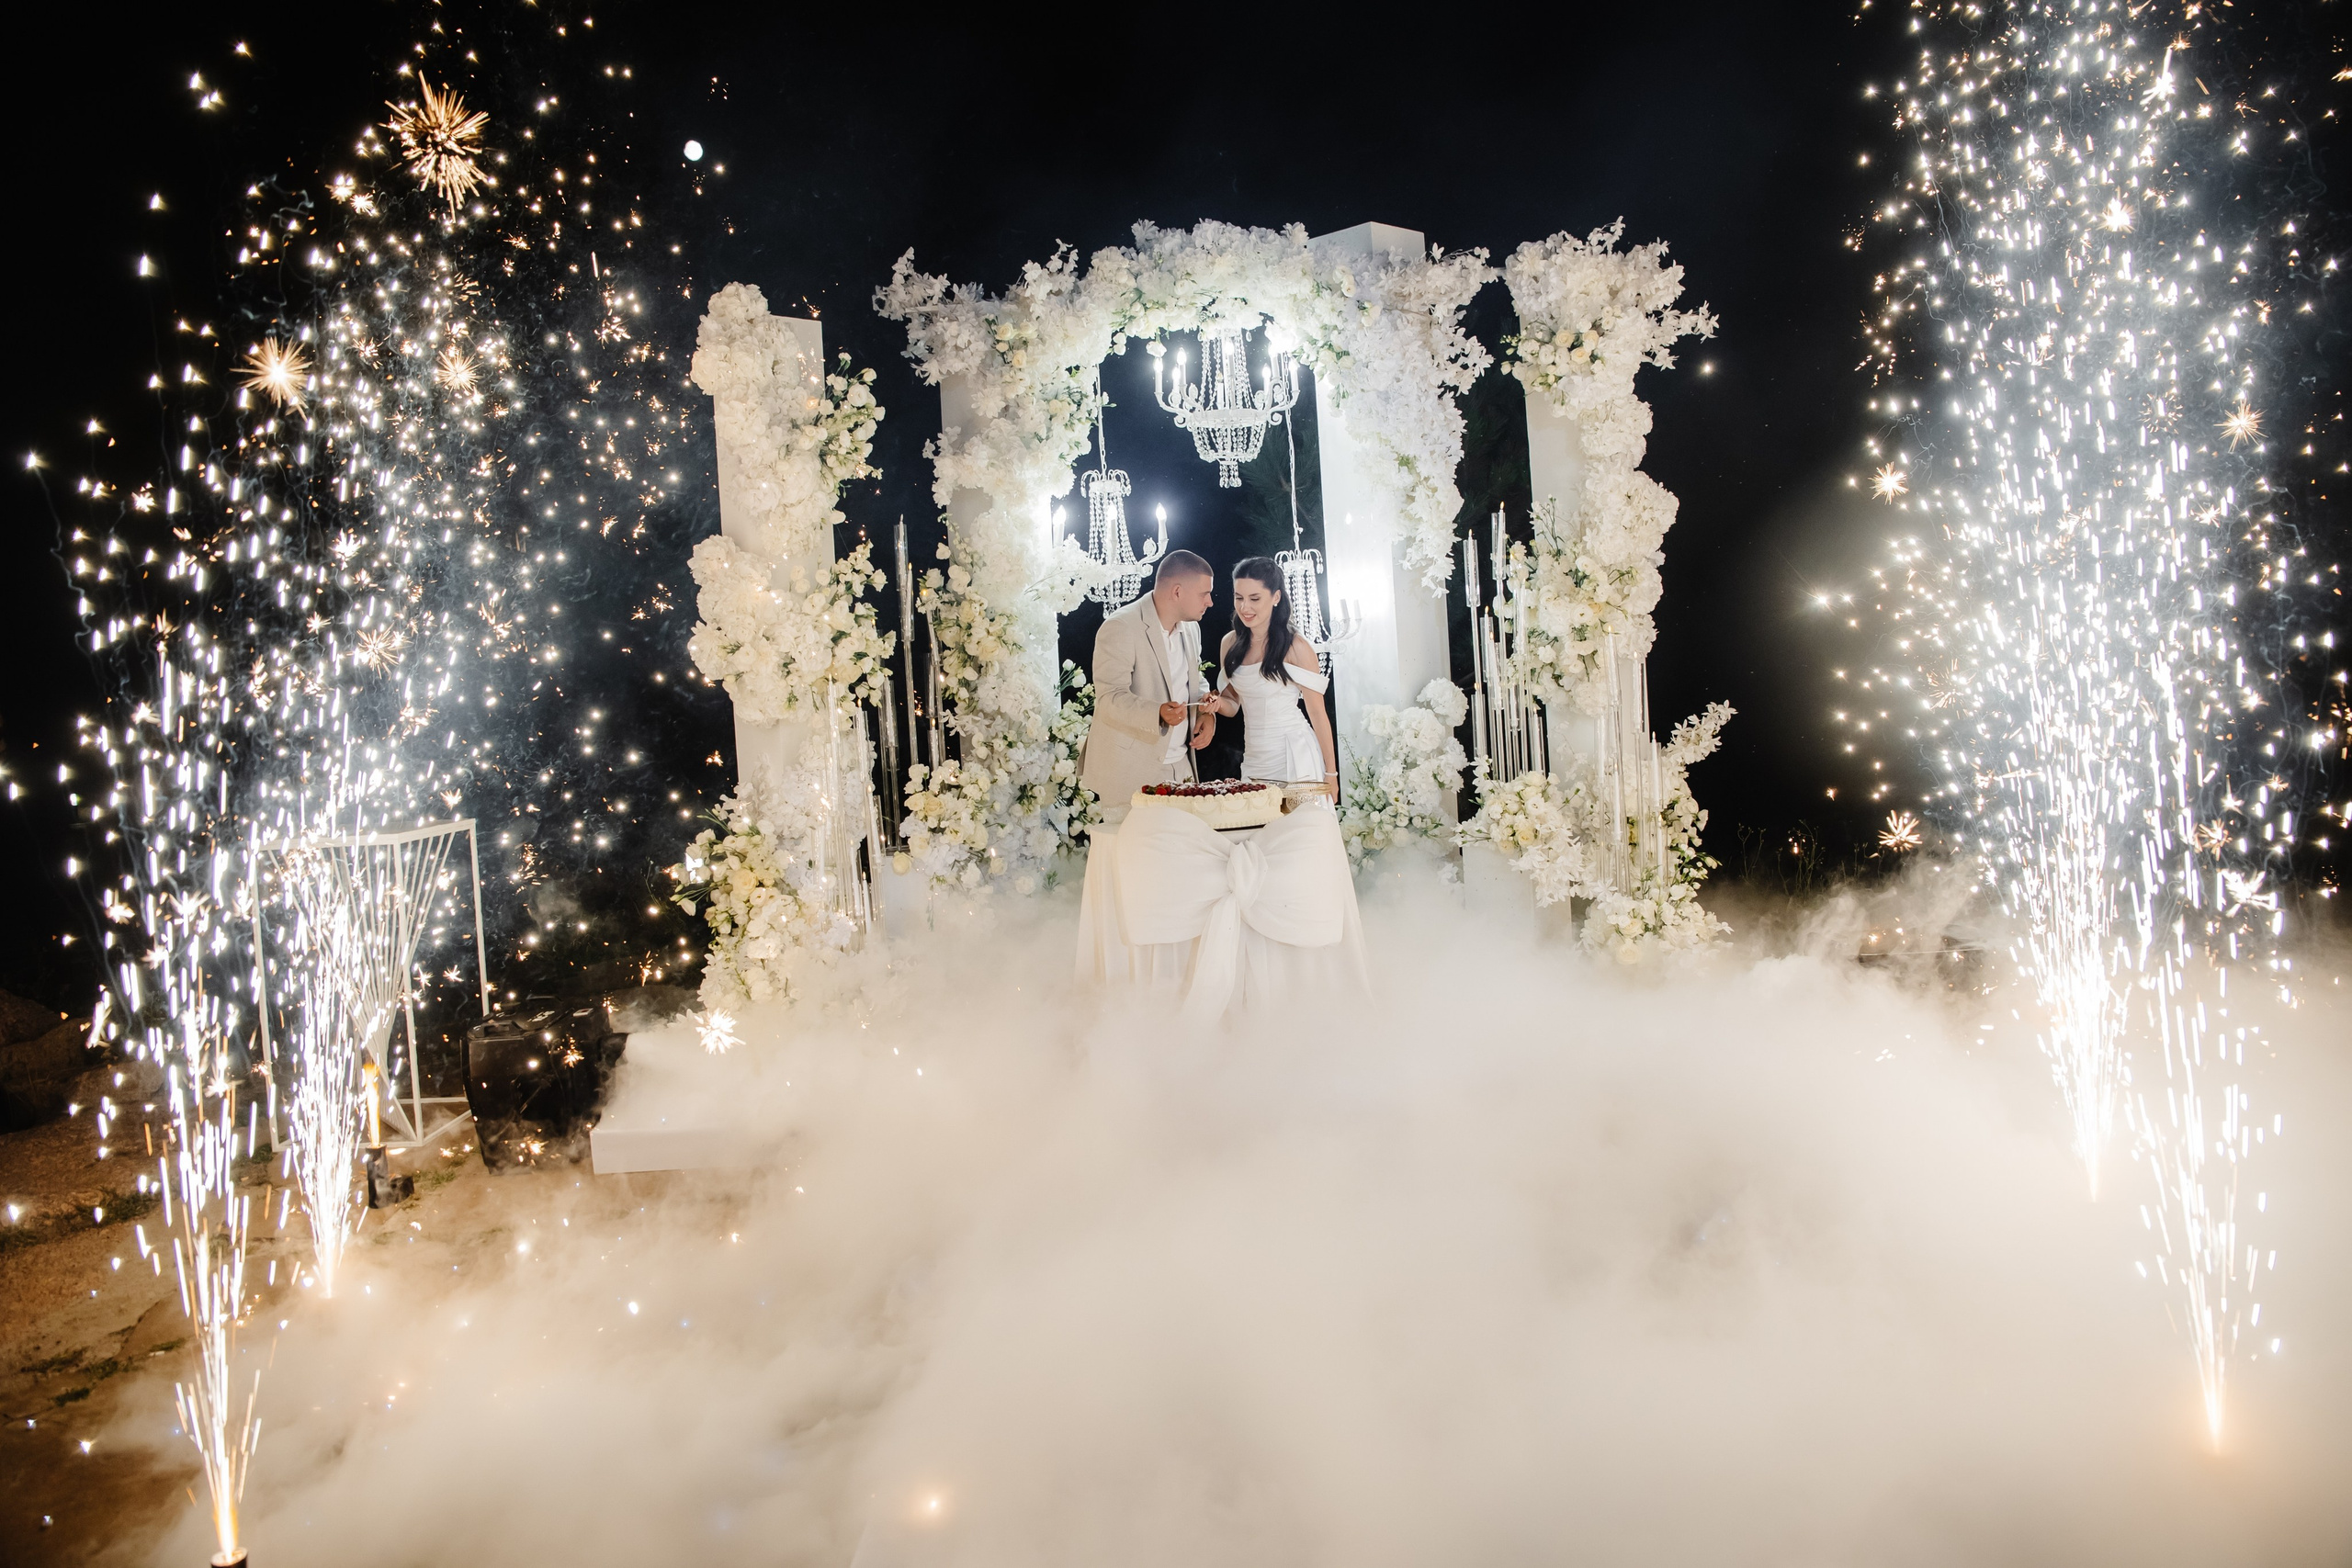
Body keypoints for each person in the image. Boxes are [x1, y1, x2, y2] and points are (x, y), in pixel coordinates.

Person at [1081, 550, 1217, 823]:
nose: (1210, 602)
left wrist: (1206, 711)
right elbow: (1109, 698)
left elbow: (1194, 678)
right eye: (1204, 594)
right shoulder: (1121, 626)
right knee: (1137, 862)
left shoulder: (1192, 629)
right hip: (1129, 772)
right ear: (1177, 591)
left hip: (1182, 767)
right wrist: (1157, 712)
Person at [1206, 557, 1338, 797]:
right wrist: (1215, 705)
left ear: (1276, 597)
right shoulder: (1230, 643)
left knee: (1299, 830)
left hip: (1293, 754)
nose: (1245, 607)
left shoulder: (1296, 647)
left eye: (1254, 599)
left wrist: (1331, 773)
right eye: (1239, 598)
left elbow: (1318, 713)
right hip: (1255, 756)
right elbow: (1233, 704)